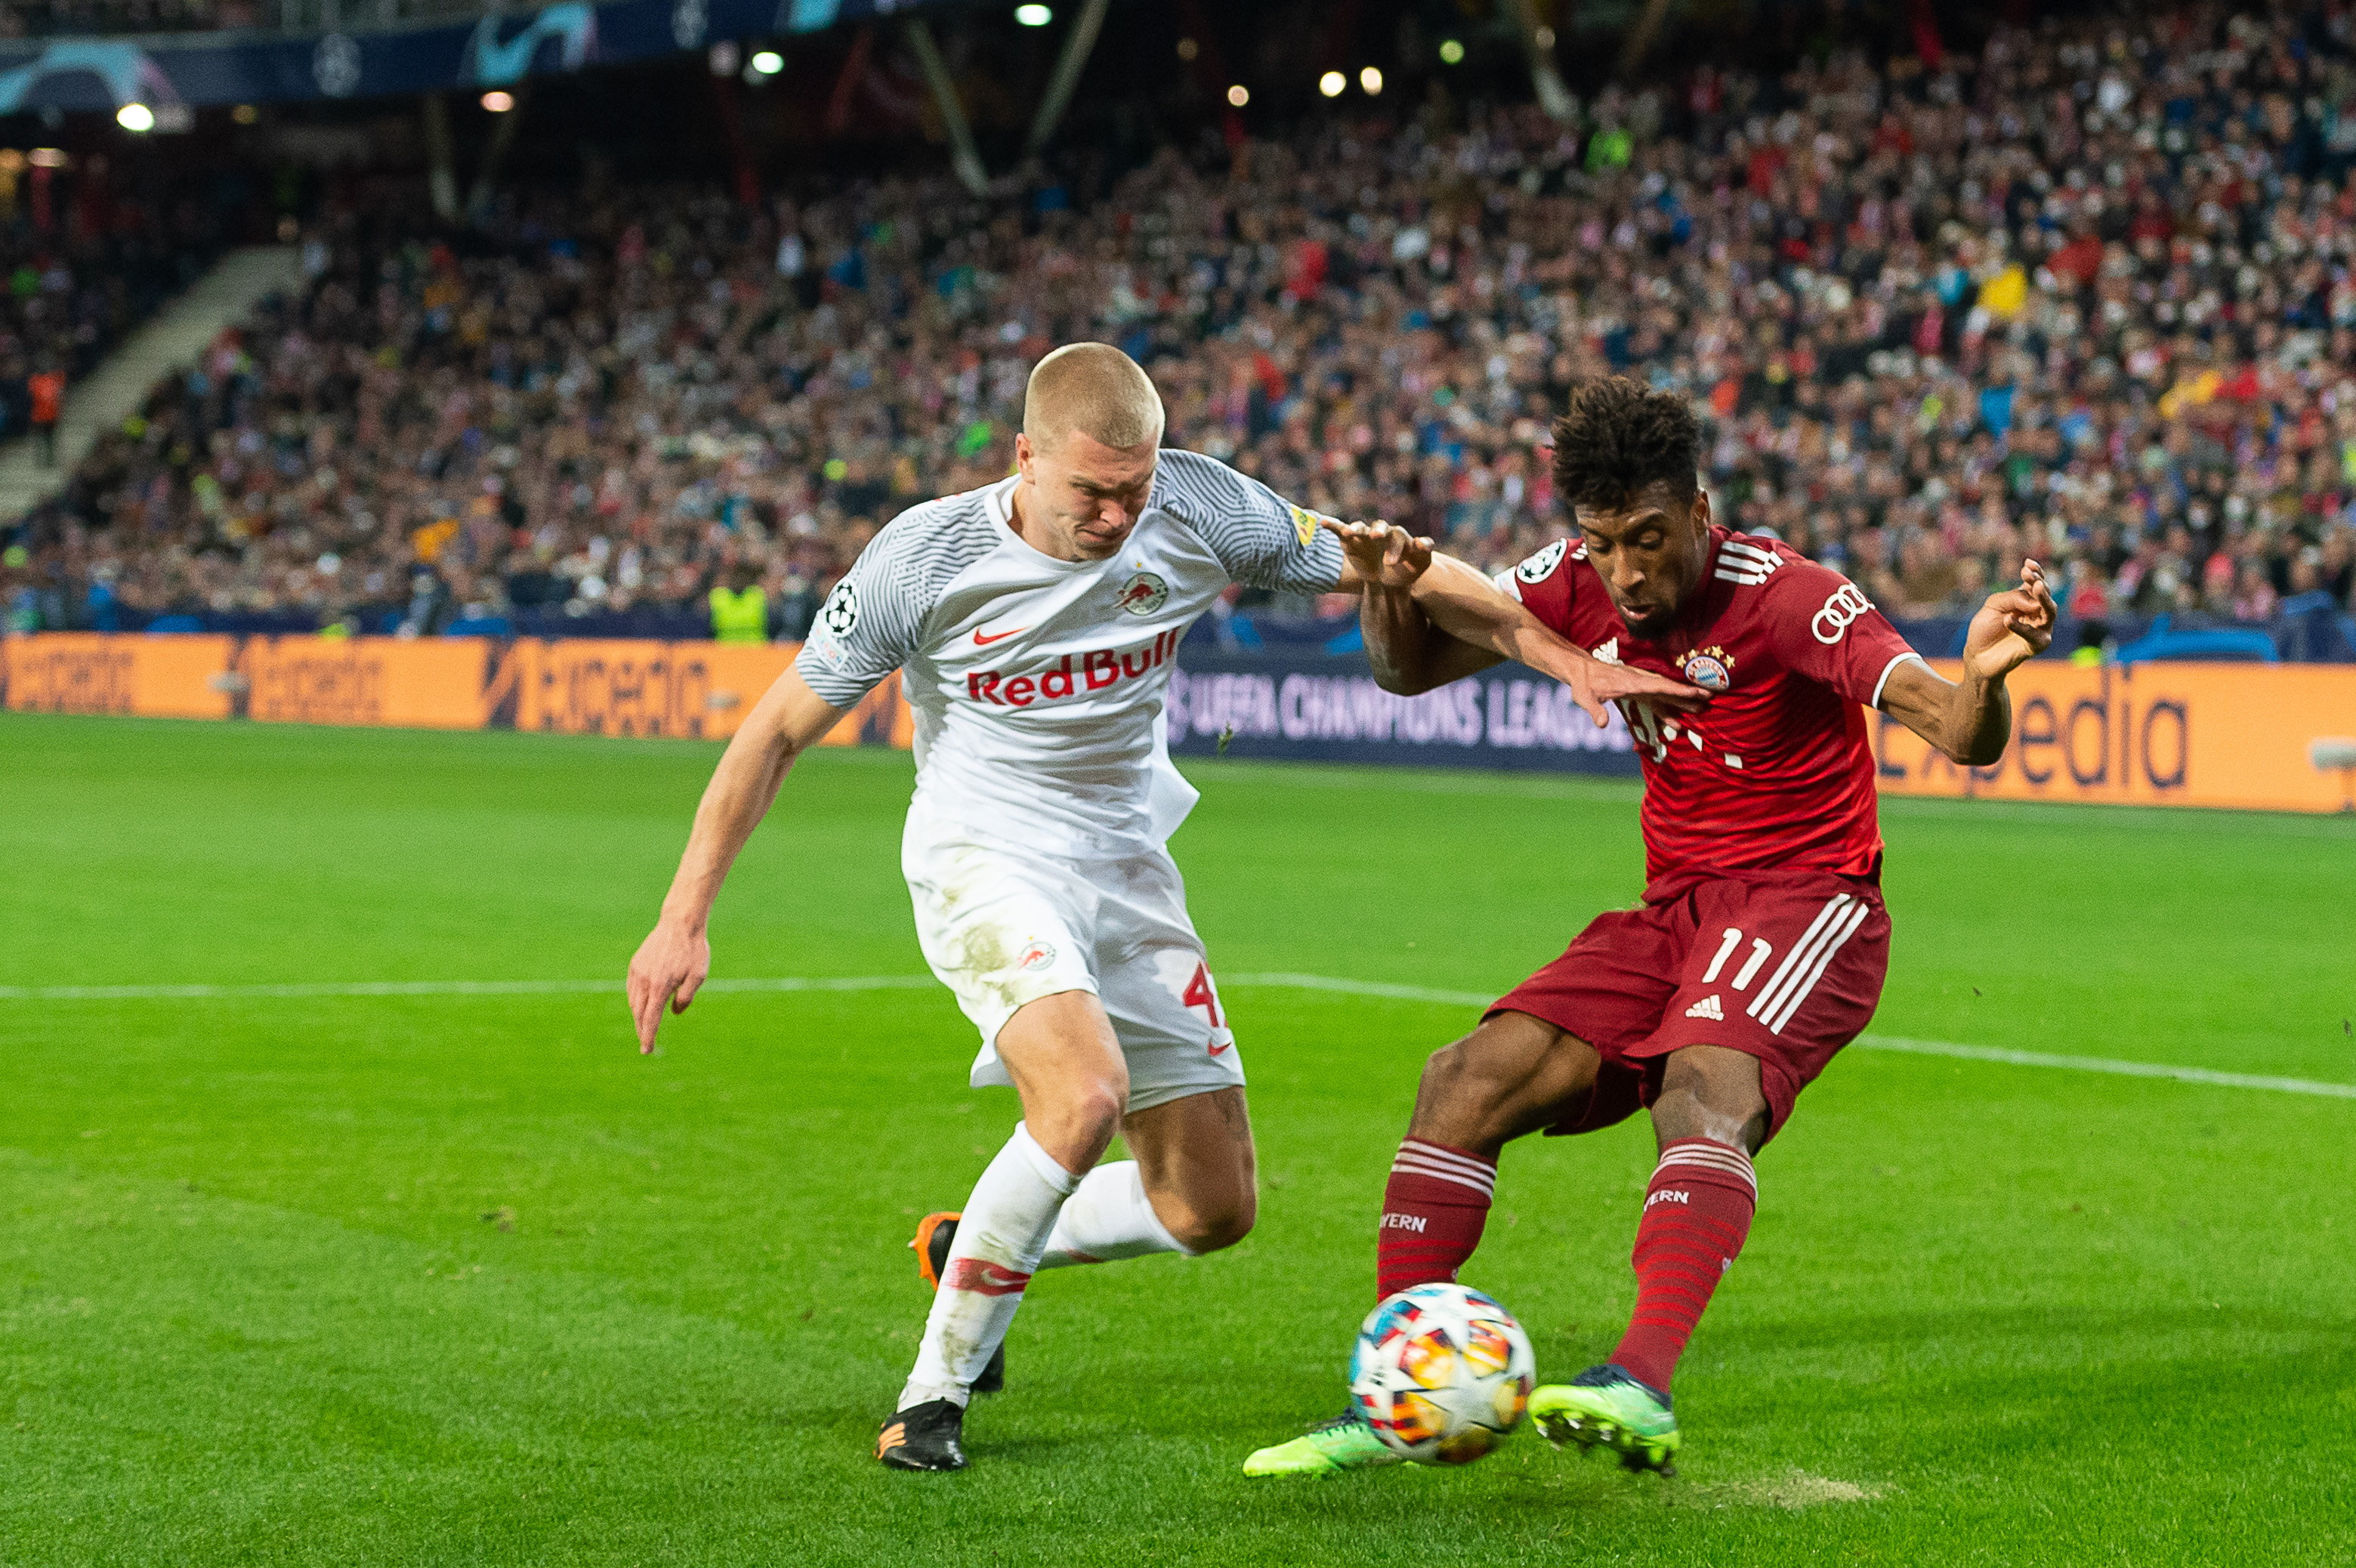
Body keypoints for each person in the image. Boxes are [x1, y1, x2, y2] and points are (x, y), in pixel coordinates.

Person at [625, 345, 1702, 1474]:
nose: (1112, 514)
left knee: (1208, 1208)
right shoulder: (924, 557)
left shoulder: (1197, 504)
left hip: (1126, 867)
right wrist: (682, 915)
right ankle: (931, 1395)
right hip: (981, 854)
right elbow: (776, 731)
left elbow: (1408, 573)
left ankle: (979, 1246)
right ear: (1025, 457)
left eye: (1130, 489)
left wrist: (1556, 657)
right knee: (1083, 1093)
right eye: (1089, 491)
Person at [1244, 375, 2055, 1477]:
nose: (1624, 573)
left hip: (1806, 899)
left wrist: (1983, 672)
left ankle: (1640, 1381)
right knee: (1461, 1081)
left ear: (1698, 516)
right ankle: (1396, 1392)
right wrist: (1386, 592)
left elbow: (1956, 732)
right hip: (1671, 910)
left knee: (1698, 1091)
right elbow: (1408, 672)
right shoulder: (1569, 582)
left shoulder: (1790, 597)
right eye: (1600, 542)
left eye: (1647, 540)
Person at [708, 562, 769, 644]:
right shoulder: (718, 597)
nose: (740, 579)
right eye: (736, 576)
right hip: (725, 652)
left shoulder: (756, 595)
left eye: (743, 576)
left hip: (755, 651)